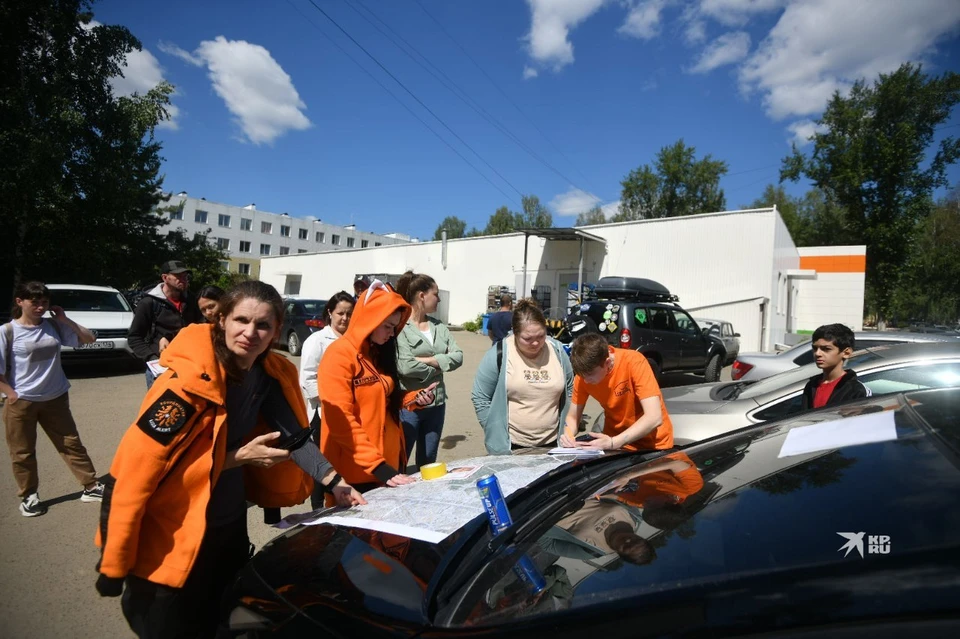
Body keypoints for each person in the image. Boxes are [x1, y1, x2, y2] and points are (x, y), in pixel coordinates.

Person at [94, 281, 366, 638]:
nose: (250, 333)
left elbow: (296, 437)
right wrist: (114, 562)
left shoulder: (266, 375)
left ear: (276, 331)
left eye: (263, 325)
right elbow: (133, 473)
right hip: (174, 530)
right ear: (221, 320)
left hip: (228, 521)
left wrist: (336, 482)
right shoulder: (182, 386)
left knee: (224, 618)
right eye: (241, 320)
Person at [319, 280, 436, 492]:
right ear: (370, 319)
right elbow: (340, 420)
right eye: (388, 326)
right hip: (358, 473)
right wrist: (378, 467)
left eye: (395, 327)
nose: (392, 334)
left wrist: (413, 398)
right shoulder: (339, 355)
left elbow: (383, 397)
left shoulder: (376, 354)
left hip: (388, 466)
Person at [0, 281, 104, 517]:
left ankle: (90, 486)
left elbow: (88, 339)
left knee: (71, 443)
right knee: (22, 451)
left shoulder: (52, 326)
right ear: (20, 302)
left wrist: (64, 319)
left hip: (55, 397)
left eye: (43, 302)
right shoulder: (7, 331)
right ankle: (29, 496)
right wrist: (11, 393)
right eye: (34, 302)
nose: (39, 307)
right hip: (22, 401)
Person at [472, 299, 574, 454]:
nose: (535, 343)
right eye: (527, 339)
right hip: (511, 446)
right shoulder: (500, 353)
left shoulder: (558, 351)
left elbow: (571, 389)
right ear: (515, 332)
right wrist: (494, 429)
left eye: (540, 336)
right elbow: (480, 396)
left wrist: (569, 426)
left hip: (554, 444)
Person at [560, 333, 673, 452]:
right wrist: (568, 436)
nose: (586, 381)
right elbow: (573, 417)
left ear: (607, 363)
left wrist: (614, 442)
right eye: (582, 376)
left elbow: (654, 417)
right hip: (616, 444)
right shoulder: (583, 377)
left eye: (590, 375)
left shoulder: (634, 361)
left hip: (653, 445)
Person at [395, 271, 463, 468]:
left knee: (428, 462)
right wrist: (441, 365)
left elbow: (458, 356)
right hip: (410, 405)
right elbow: (405, 366)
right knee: (400, 460)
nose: (439, 299)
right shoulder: (401, 327)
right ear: (421, 296)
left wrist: (430, 360)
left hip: (437, 404)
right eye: (436, 294)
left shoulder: (439, 326)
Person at [299, 291, 354, 507]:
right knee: (323, 462)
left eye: (349, 314)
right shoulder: (317, 340)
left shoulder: (354, 339)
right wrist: (331, 399)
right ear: (330, 312)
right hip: (323, 413)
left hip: (349, 410)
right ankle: (317, 506)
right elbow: (307, 378)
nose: (345, 318)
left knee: (343, 459)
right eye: (340, 313)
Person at [127, 260, 203, 389]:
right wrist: (152, 358)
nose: (183, 280)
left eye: (185, 276)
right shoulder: (149, 303)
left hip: (188, 365)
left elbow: (199, 329)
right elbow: (134, 337)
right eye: (178, 276)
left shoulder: (192, 300)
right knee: (161, 408)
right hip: (161, 368)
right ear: (165, 278)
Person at [801, 323, 871, 410]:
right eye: (815, 348)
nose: (817, 353)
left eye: (826, 349)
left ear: (846, 353)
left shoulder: (856, 390)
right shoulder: (811, 386)